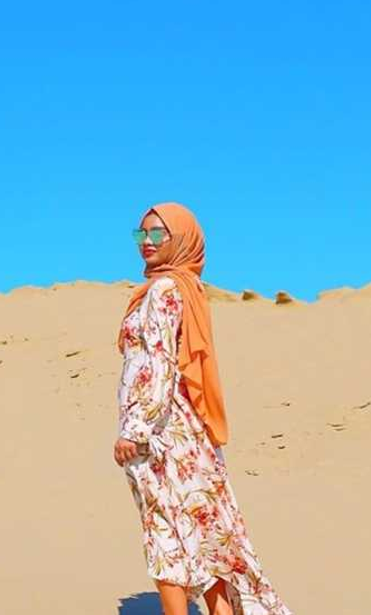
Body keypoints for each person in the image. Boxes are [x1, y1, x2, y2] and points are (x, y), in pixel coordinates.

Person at [114, 202, 293, 615]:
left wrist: (134, 431)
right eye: (141, 235)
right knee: (206, 530)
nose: (147, 244)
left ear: (180, 239)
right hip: (188, 435)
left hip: (160, 434)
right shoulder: (185, 288)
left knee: (164, 531)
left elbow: (157, 364)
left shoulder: (163, 291)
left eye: (158, 234)